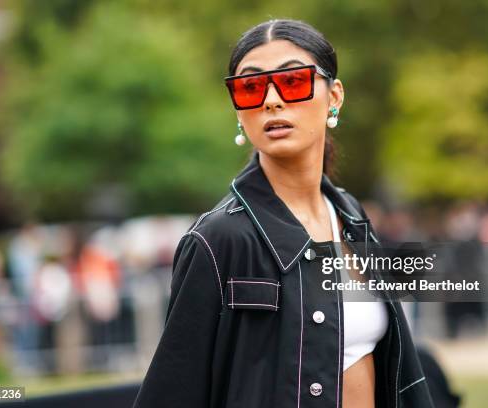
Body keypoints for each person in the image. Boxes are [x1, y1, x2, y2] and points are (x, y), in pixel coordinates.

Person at [133, 19, 433, 408]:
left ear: (334, 96)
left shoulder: (351, 216)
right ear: (238, 109)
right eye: (251, 87)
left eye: (292, 81)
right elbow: (172, 393)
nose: (271, 100)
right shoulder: (216, 240)